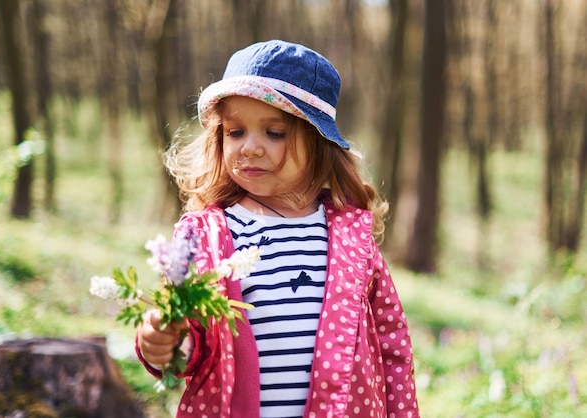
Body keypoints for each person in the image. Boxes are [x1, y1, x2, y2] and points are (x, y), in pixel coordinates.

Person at [135, 39, 419, 418]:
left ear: (319, 141)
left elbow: (392, 346)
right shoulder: (206, 235)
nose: (250, 147)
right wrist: (166, 342)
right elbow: (190, 330)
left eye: (274, 132)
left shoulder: (351, 239)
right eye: (235, 132)